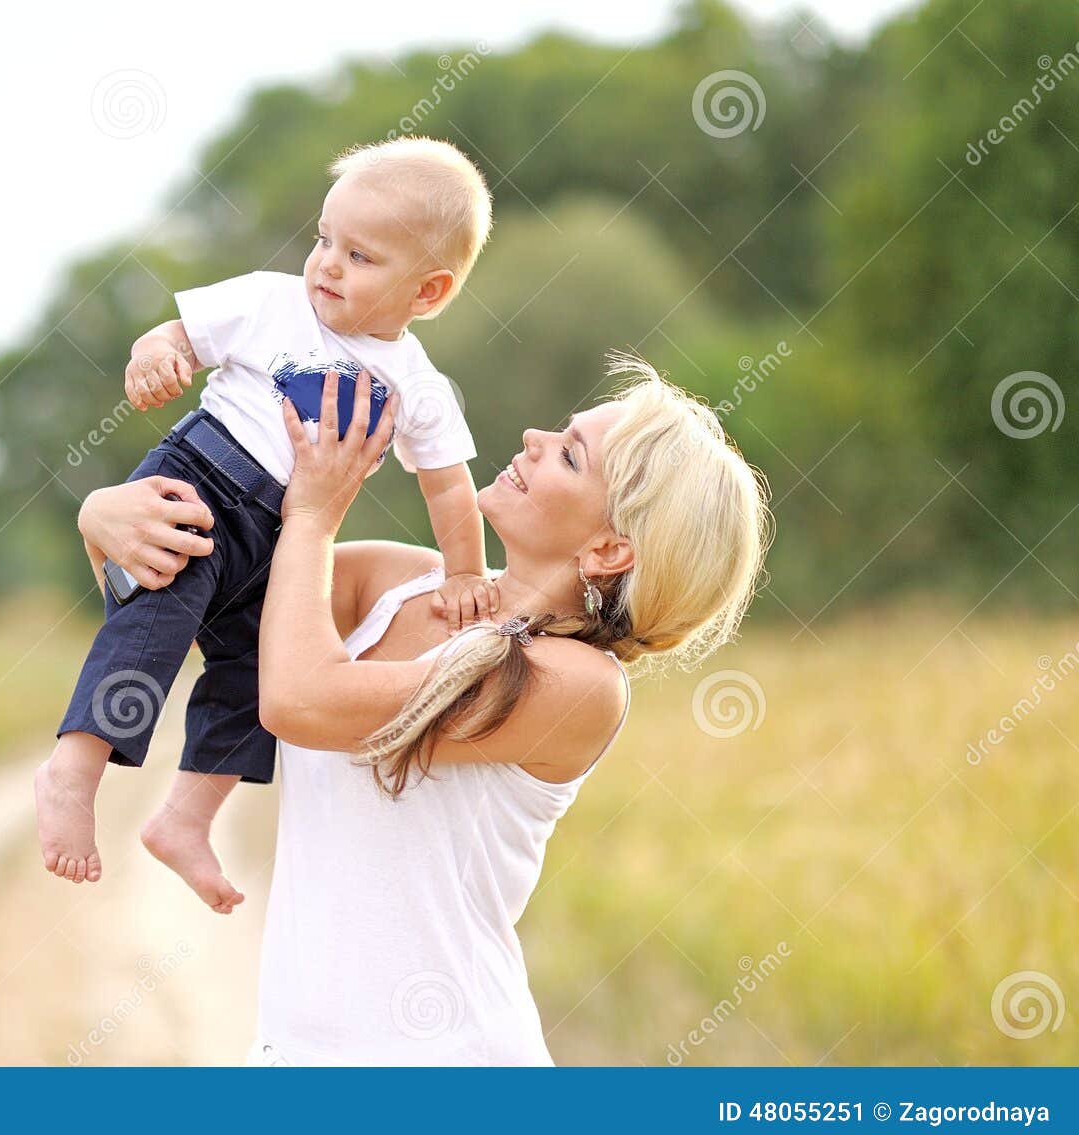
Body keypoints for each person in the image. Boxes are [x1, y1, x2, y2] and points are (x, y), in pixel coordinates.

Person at [77, 359, 772, 1064]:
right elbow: (192, 599)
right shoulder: (397, 581)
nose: (533, 436)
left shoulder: (580, 683)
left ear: (608, 548)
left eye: (570, 452)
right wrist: (104, 519)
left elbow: (295, 699)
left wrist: (313, 514)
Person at [38, 137, 498, 913]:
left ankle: (186, 817)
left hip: (282, 541)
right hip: (198, 482)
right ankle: (73, 767)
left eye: (360, 255)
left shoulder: (418, 385)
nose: (326, 264)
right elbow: (177, 336)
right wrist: (155, 355)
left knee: (258, 675)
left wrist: (463, 573)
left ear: (429, 292)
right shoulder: (270, 300)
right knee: (154, 617)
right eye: (324, 239)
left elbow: (451, 491)